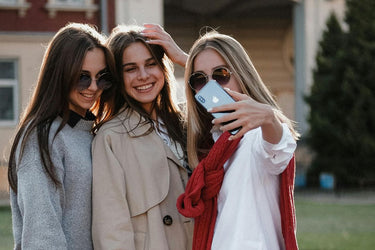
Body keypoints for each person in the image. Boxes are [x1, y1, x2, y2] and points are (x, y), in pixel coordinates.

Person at [175, 30, 300, 250]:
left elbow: (280, 151)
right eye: (199, 79)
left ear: (242, 75)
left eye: (221, 74)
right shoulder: (209, 143)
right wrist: (182, 58)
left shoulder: (258, 135)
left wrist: (268, 118)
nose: (212, 86)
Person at [8, 23, 117, 249]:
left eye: (102, 77)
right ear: (60, 74)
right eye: (83, 77)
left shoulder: (92, 132)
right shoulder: (42, 138)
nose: (94, 87)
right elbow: (42, 235)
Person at [91, 24, 193, 250]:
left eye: (150, 64)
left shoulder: (187, 122)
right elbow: (111, 229)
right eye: (130, 69)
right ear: (118, 77)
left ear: (163, 68)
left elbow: (238, 111)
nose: (143, 76)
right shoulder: (111, 137)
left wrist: (187, 60)